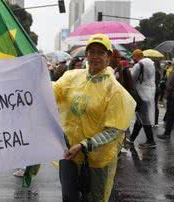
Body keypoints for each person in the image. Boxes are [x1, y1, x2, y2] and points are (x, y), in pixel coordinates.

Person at [53, 34, 135, 202]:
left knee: (94, 199)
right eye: (91, 52)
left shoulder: (115, 90)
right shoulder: (72, 77)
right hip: (69, 152)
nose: (95, 56)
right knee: (69, 196)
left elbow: (114, 131)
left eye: (101, 52)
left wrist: (84, 146)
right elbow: (51, 93)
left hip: (98, 159)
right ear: (87, 55)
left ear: (109, 56)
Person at [128, 49, 156, 148]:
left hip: (140, 94)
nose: (133, 59)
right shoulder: (151, 64)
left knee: (144, 118)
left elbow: (131, 79)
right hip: (150, 92)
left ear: (136, 56)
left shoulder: (138, 65)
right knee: (140, 118)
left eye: (133, 57)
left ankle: (151, 141)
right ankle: (131, 139)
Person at [157, 70, 174, 140]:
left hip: (172, 97)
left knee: (170, 115)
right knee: (170, 115)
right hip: (171, 96)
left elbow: (170, 85)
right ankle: (167, 133)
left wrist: (166, 88)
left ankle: (167, 134)